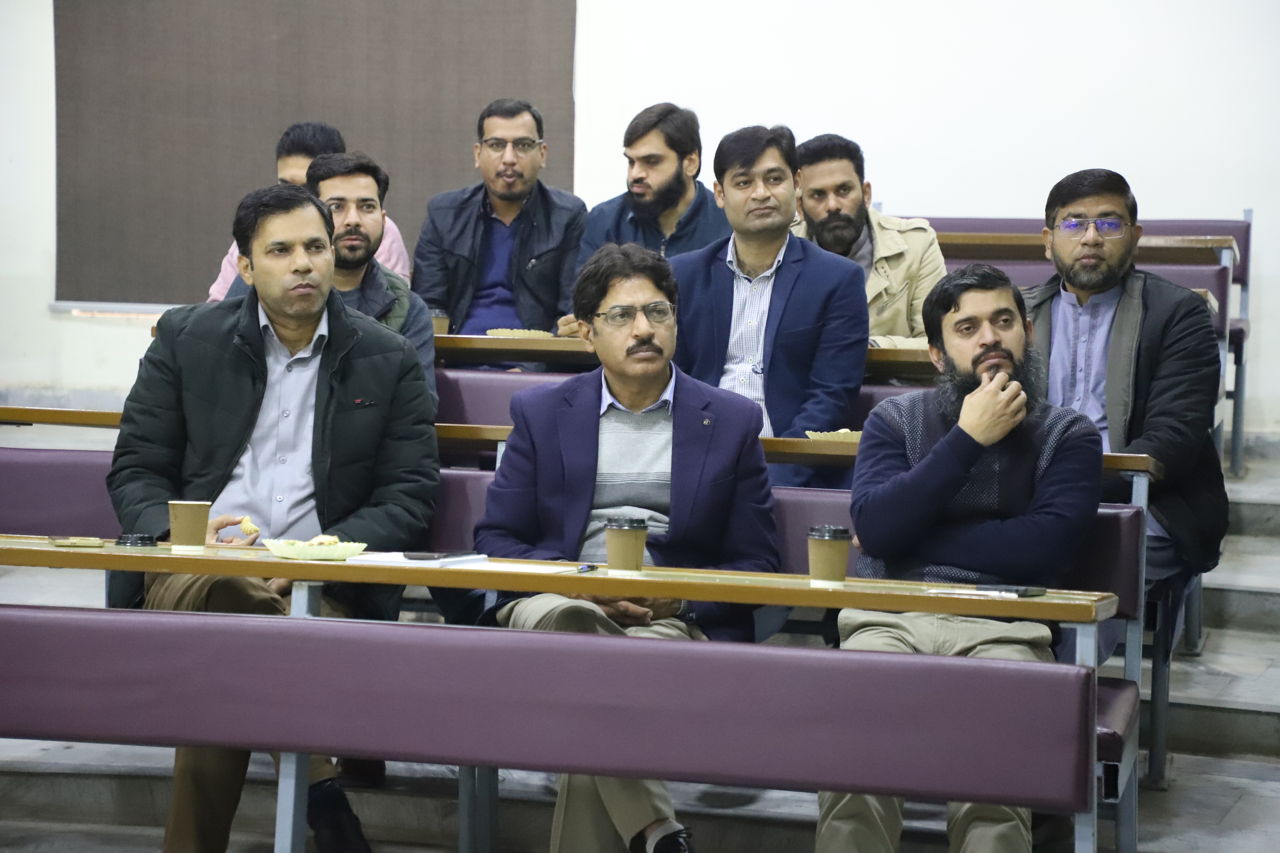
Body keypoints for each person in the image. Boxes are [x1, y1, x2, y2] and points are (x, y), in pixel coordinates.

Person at [107, 183, 440, 853]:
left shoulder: (387, 356)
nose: (303, 264)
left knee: (228, 657)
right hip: (195, 571)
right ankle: (322, 791)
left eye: (315, 247)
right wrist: (188, 535)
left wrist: (318, 555)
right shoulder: (186, 338)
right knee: (230, 593)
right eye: (281, 250)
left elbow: (409, 496)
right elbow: (136, 470)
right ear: (245, 264)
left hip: (322, 584)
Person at [434, 243, 780, 853]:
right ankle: (658, 828)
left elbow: (757, 563)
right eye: (622, 315)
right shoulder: (542, 412)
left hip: (664, 620)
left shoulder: (728, 421)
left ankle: (657, 834)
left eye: (657, 312)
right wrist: (581, 583)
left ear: (676, 322)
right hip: (553, 603)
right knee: (577, 628)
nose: (644, 329)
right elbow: (497, 541)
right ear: (588, 333)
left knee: (596, 680)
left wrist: (675, 601)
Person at [816, 263, 1102, 853]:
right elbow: (878, 526)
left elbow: (1044, 549)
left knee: (994, 789)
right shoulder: (894, 420)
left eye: (1003, 321)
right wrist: (969, 438)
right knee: (853, 772)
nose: (989, 338)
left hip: (1006, 626)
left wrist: (906, 537)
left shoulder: (1068, 434)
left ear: (1027, 332)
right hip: (889, 619)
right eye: (967, 328)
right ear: (938, 355)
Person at [1025, 168, 1228, 592]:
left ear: (1134, 237)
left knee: (1081, 556)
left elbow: (1173, 438)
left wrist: (1062, 487)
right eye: (1074, 223)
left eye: (1109, 223)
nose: (1091, 238)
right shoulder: (1018, 317)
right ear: (1048, 240)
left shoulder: (1177, 314)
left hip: (1148, 501)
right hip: (1030, 497)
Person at [669, 125, 868, 486]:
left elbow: (831, 399)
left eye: (774, 179)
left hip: (789, 464)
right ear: (719, 194)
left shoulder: (838, 280)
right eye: (743, 182)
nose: (761, 193)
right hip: (696, 459)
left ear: (796, 183)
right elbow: (671, 382)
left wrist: (775, 478)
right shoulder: (682, 276)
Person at [224, 152, 437, 397]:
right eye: (337, 207)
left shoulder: (407, 307)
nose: (353, 220)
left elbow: (417, 405)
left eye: (367, 207)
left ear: (383, 219)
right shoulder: (261, 284)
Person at [410, 98, 587, 335]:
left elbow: (571, 311)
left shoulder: (568, 216)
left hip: (538, 352)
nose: (509, 158)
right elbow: (428, 304)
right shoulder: (444, 214)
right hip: (457, 352)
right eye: (496, 145)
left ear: (542, 154)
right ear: (478, 154)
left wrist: (539, 357)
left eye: (523, 145)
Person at [206, 121, 410, 301]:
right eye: (285, 185)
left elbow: (397, 304)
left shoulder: (372, 232)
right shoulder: (258, 230)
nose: (294, 197)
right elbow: (218, 310)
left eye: (306, 187)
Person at [793, 133, 945, 348]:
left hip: (891, 370)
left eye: (843, 190)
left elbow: (939, 342)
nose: (833, 205)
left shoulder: (916, 244)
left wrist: (868, 347)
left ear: (866, 194)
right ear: (800, 206)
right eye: (818, 195)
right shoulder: (780, 248)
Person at [573, 103, 728, 273]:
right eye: (631, 162)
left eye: (651, 162)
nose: (635, 174)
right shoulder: (604, 221)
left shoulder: (728, 223)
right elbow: (586, 290)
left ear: (691, 163)